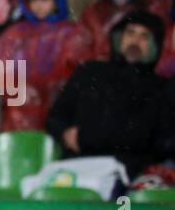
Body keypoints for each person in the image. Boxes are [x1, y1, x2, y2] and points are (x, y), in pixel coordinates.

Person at [47, 11, 175, 182]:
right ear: (119, 37)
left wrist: (85, 137)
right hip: (76, 167)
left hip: (129, 175)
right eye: (130, 33)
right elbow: (56, 117)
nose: (135, 41)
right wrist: (64, 134)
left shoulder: (161, 88)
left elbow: (149, 138)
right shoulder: (89, 72)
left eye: (144, 36)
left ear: (155, 45)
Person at [0, 0, 85, 136]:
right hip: (18, 92)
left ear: (56, 1)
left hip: (55, 93)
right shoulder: (15, 32)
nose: (38, 5)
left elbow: (75, 68)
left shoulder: (70, 32)